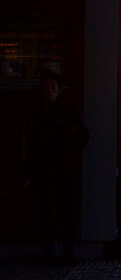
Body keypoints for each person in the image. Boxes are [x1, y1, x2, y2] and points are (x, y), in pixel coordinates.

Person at [21, 70, 89, 263]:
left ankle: (64, 251)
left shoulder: (67, 112)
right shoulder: (36, 113)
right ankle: (53, 252)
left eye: (53, 87)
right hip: (43, 169)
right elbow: (28, 144)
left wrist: (70, 154)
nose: (49, 91)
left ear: (59, 90)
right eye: (47, 87)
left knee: (63, 210)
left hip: (60, 170)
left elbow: (83, 136)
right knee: (46, 212)